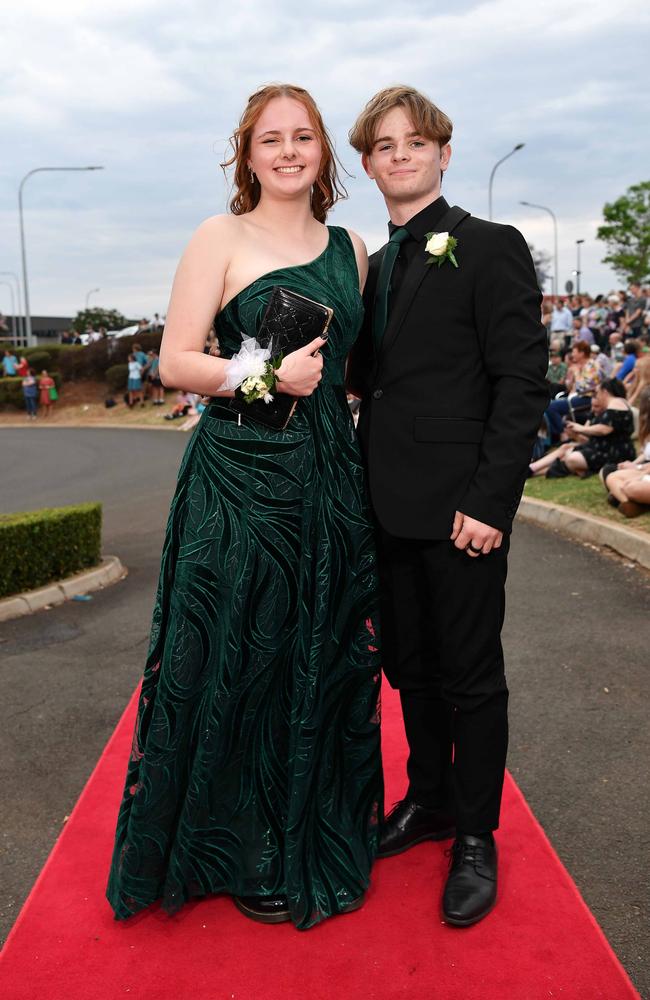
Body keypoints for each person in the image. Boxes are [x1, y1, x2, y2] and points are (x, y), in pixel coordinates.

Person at [106, 83, 382, 931]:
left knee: (317, 648)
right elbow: (176, 362)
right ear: (248, 153)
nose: (289, 150)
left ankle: (298, 829)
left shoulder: (354, 248)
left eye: (304, 137)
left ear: (324, 153)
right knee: (236, 653)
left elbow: (354, 373)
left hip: (328, 475)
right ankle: (227, 846)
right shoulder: (218, 236)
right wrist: (265, 377)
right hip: (238, 474)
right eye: (272, 139)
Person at [347, 85, 548, 928]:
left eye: (414, 142)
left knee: (471, 678)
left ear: (443, 152)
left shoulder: (491, 245)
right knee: (410, 670)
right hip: (383, 503)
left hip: (463, 509)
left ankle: (474, 835)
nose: (400, 156)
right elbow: (369, 381)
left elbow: (520, 382)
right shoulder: (369, 265)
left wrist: (491, 499)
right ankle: (427, 800)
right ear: (366, 165)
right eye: (383, 147)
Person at [528, 379, 635, 478]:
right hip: (602, 449)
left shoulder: (616, 402)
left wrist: (580, 429)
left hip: (614, 453)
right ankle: (531, 469)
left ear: (605, 392)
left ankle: (531, 470)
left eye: (597, 393)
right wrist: (575, 433)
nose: (596, 396)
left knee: (570, 457)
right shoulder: (610, 406)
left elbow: (604, 429)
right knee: (568, 452)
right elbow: (592, 434)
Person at [601, 386, 650, 517]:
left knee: (630, 487)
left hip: (646, 471)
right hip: (646, 469)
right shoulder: (646, 431)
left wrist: (639, 471)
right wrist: (637, 467)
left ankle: (633, 500)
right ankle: (632, 504)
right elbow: (645, 456)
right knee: (611, 476)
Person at [545, 340, 600, 442]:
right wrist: (570, 378)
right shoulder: (579, 366)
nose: (572, 354)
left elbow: (586, 387)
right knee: (549, 405)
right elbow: (571, 387)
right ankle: (560, 434)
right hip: (577, 396)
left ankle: (563, 434)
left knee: (551, 407)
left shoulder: (591, 365)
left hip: (588, 398)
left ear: (582, 353)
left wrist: (576, 373)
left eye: (574, 352)